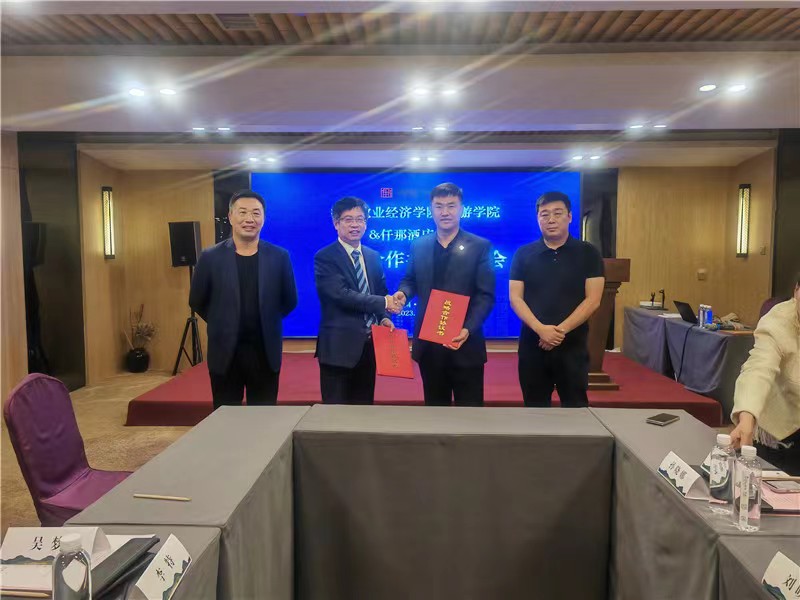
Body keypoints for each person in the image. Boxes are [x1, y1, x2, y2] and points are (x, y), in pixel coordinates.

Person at [189, 190, 297, 409]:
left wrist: (265, 319)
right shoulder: (210, 257)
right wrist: (223, 321)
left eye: (256, 213)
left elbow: (289, 300)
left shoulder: (279, 256)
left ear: (263, 218)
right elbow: (197, 300)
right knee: (226, 416)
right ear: (230, 216)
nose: (250, 219)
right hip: (225, 352)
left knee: (264, 417)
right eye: (243, 212)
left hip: (265, 352)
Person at [394, 182, 495, 406]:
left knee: (470, 415)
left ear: (461, 208)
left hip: (465, 344)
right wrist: (403, 293)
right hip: (429, 346)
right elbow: (410, 280)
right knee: (434, 413)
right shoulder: (419, 245)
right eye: (439, 206)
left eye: (451, 205)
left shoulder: (480, 246)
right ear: (431, 209)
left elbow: (485, 295)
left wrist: (467, 328)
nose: (445, 212)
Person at [509, 191, 604, 407]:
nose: (551, 219)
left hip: (572, 346)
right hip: (533, 345)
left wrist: (558, 332)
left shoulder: (588, 253)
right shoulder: (523, 254)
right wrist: (541, 329)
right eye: (544, 214)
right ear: (538, 218)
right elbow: (515, 298)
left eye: (557, 213)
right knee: (534, 409)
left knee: (575, 408)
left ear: (569, 216)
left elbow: (593, 300)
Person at [314, 197, 399, 404]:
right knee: (335, 414)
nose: (355, 225)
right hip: (338, 350)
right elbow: (341, 295)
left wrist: (384, 317)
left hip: (369, 348)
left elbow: (381, 291)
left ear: (366, 223)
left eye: (360, 219)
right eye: (348, 219)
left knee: (363, 411)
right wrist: (384, 303)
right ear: (336, 223)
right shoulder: (325, 257)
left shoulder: (373, 256)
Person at [730, 274, 800, 474]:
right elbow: (759, 368)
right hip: (782, 433)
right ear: (796, 290)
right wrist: (747, 417)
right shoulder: (778, 323)